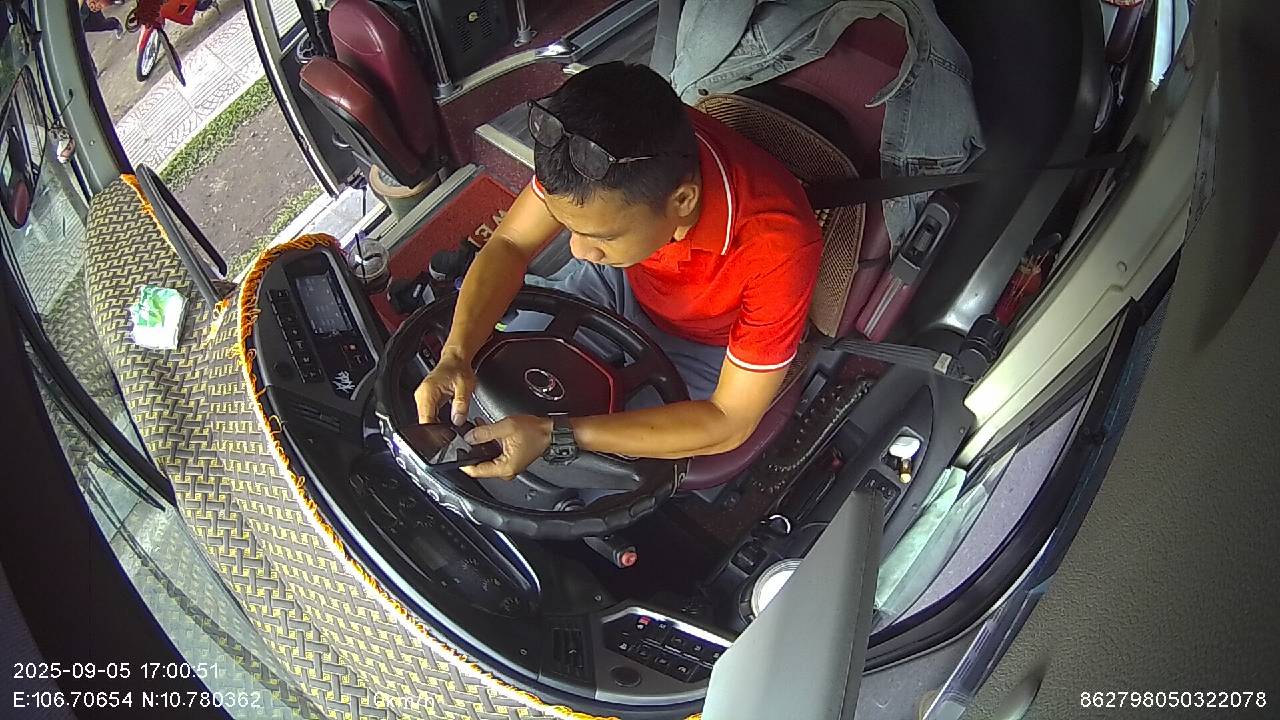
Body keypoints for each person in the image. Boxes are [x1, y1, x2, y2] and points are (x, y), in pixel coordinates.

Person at [413, 61, 822, 480]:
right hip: (620, 282)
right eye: (569, 227)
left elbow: (729, 419)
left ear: (682, 201)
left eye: (602, 236)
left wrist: (558, 435)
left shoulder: (777, 248)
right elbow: (510, 244)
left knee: (588, 470)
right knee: (498, 374)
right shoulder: (594, 150)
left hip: (708, 346)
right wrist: (456, 354)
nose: (578, 250)